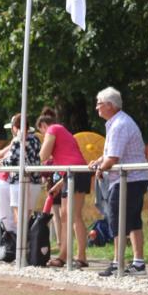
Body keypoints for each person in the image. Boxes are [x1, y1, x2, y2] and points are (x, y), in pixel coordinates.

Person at [89, 87, 148, 277]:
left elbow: (113, 157)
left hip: (128, 179)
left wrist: (101, 168)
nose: (96, 107)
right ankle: (138, 262)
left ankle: (118, 262)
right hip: (134, 178)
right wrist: (99, 161)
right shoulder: (118, 122)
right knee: (132, 220)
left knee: (118, 220)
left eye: (99, 103)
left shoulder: (119, 124)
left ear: (110, 105)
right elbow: (111, 153)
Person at [36, 107, 89, 269]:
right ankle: (64, 255)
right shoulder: (62, 131)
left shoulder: (53, 129)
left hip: (75, 173)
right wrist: (59, 184)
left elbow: (43, 155)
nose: (44, 136)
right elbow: (70, 157)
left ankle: (80, 256)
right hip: (72, 174)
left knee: (73, 216)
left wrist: (38, 156)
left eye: (42, 133)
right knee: (66, 215)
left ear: (43, 126)